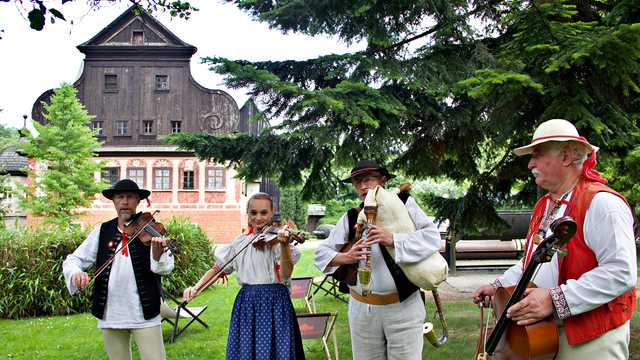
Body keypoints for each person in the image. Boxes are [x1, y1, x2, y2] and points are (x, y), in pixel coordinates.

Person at [473, 119, 637, 359]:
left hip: (592, 338)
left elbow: (621, 272)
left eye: (537, 154)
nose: (530, 164)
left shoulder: (603, 203)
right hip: (543, 334)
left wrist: (555, 299)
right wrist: (499, 286)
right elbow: (532, 262)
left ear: (566, 157)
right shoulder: (545, 205)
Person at [314, 160, 442, 360]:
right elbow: (321, 254)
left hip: (404, 306)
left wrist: (393, 239)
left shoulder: (405, 204)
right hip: (362, 310)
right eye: (357, 182)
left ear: (382, 181)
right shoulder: (352, 217)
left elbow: (433, 238)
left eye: (368, 180)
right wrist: (345, 257)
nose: (363, 186)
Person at [183, 192, 305, 360]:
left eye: (264, 212)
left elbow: (285, 274)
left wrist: (284, 245)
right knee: (247, 352)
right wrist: (196, 287)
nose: (258, 217)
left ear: (272, 213)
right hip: (247, 303)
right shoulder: (240, 242)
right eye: (253, 213)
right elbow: (218, 268)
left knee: (279, 351)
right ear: (247, 214)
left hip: (276, 302)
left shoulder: (277, 242)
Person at [62, 179, 174, 360]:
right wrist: (75, 272)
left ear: (138, 201)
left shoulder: (151, 231)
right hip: (111, 314)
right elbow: (74, 259)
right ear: (113, 201)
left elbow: (165, 269)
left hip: (144, 313)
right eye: (120, 197)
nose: (125, 201)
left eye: (130, 197)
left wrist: (158, 254)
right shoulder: (101, 230)